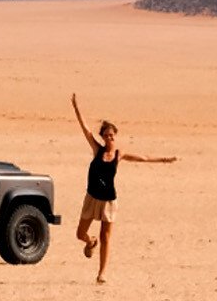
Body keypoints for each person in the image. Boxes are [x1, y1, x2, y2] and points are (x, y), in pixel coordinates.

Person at [71, 93, 176, 283]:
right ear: (102, 137)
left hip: (109, 201)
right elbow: (85, 129)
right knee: (80, 233)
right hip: (92, 198)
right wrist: (77, 108)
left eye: (112, 135)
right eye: (106, 135)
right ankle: (90, 241)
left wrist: (164, 159)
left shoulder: (119, 154)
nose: (110, 138)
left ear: (115, 136)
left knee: (106, 237)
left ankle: (101, 273)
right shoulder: (97, 150)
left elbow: (143, 158)